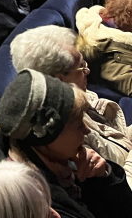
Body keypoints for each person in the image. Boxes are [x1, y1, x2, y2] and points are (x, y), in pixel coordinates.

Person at [0, 69, 132, 218]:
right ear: (48, 139)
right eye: (79, 125)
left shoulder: (60, 160)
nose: (86, 131)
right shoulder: (36, 205)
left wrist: (104, 177)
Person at [10, 25, 132, 188]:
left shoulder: (81, 94)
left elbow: (118, 140)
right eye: (82, 67)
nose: (88, 71)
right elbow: (123, 190)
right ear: (59, 81)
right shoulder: (66, 137)